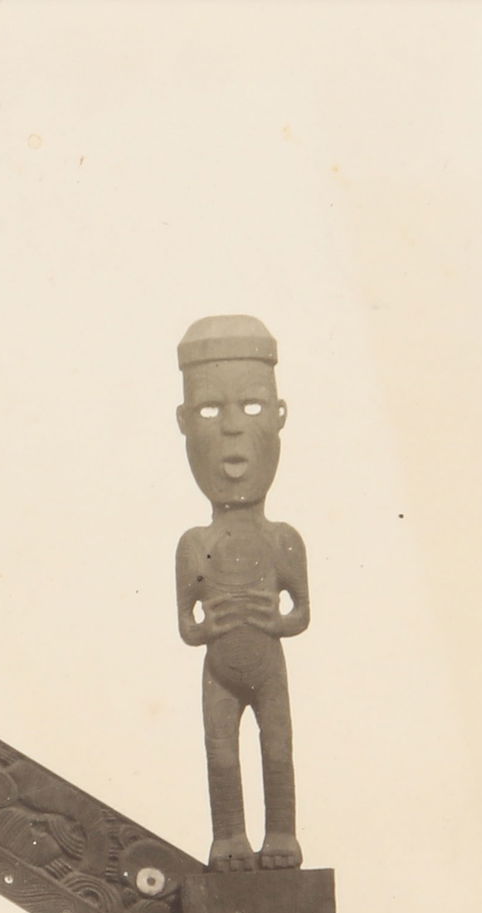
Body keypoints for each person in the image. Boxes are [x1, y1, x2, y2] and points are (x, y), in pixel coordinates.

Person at [173, 314, 308, 871]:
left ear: (279, 417)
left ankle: (282, 836)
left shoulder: (283, 540)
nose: (231, 429)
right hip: (221, 672)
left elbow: (301, 611)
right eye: (210, 410)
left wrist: (275, 623)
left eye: (251, 408)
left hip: (267, 666)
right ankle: (228, 836)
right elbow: (186, 626)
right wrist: (210, 628)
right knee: (221, 755)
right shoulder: (195, 544)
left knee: (277, 751)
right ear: (183, 422)